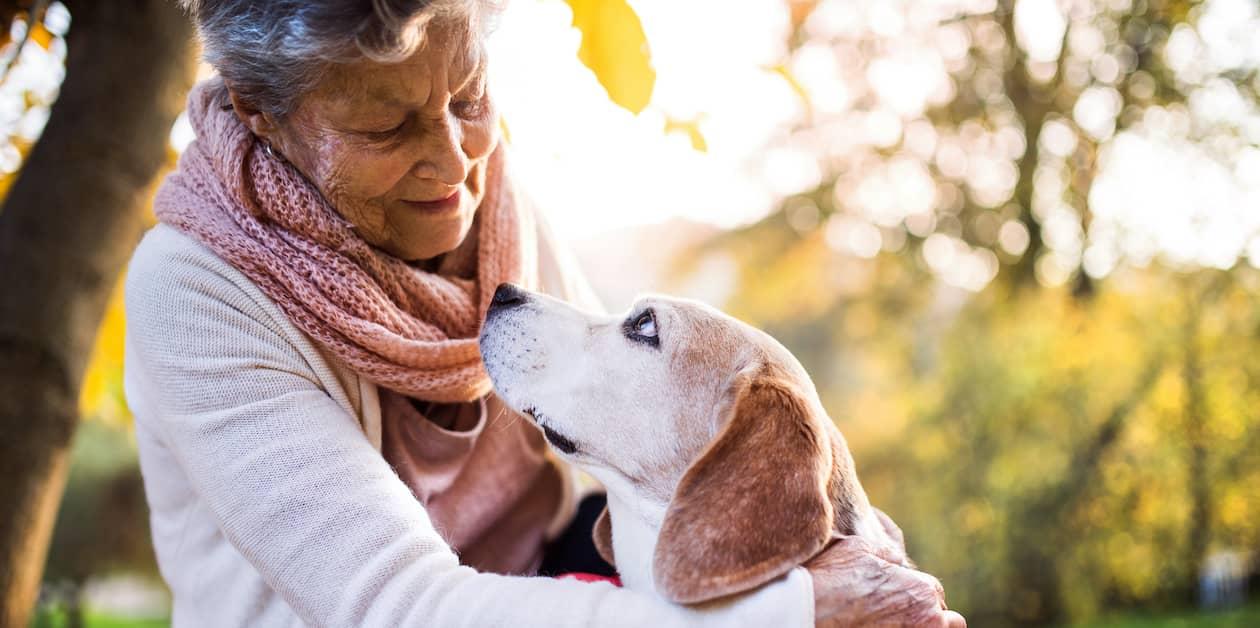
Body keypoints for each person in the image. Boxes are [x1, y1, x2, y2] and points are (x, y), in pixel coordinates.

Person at [123, 1, 965, 625]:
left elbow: (630, 429)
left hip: (560, 575)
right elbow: (398, 607)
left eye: (468, 95)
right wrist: (791, 612)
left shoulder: (488, 193)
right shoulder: (193, 293)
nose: (455, 160)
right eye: (388, 126)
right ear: (259, 115)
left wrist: (849, 544)